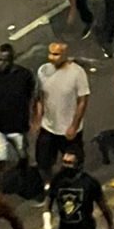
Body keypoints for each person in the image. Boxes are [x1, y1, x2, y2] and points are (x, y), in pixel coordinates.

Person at [0, 43, 37, 191]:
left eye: (5, 60)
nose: (1, 64)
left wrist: (33, 118)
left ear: (12, 60)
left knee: (22, 154)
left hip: (18, 126)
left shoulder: (24, 76)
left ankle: (25, 177)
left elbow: (31, 97)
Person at [35, 42, 90, 190]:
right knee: (43, 160)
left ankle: (75, 183)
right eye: (50, 53)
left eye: (56, 54)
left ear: (65, 55)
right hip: (48, 126)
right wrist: (38, 119)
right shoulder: (43, 71)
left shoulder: (77, 73)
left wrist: (74, 125)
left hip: (69, 129)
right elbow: (40, 97)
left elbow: (82, 101)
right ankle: (49, 184)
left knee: (73, 161)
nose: (52, 57)